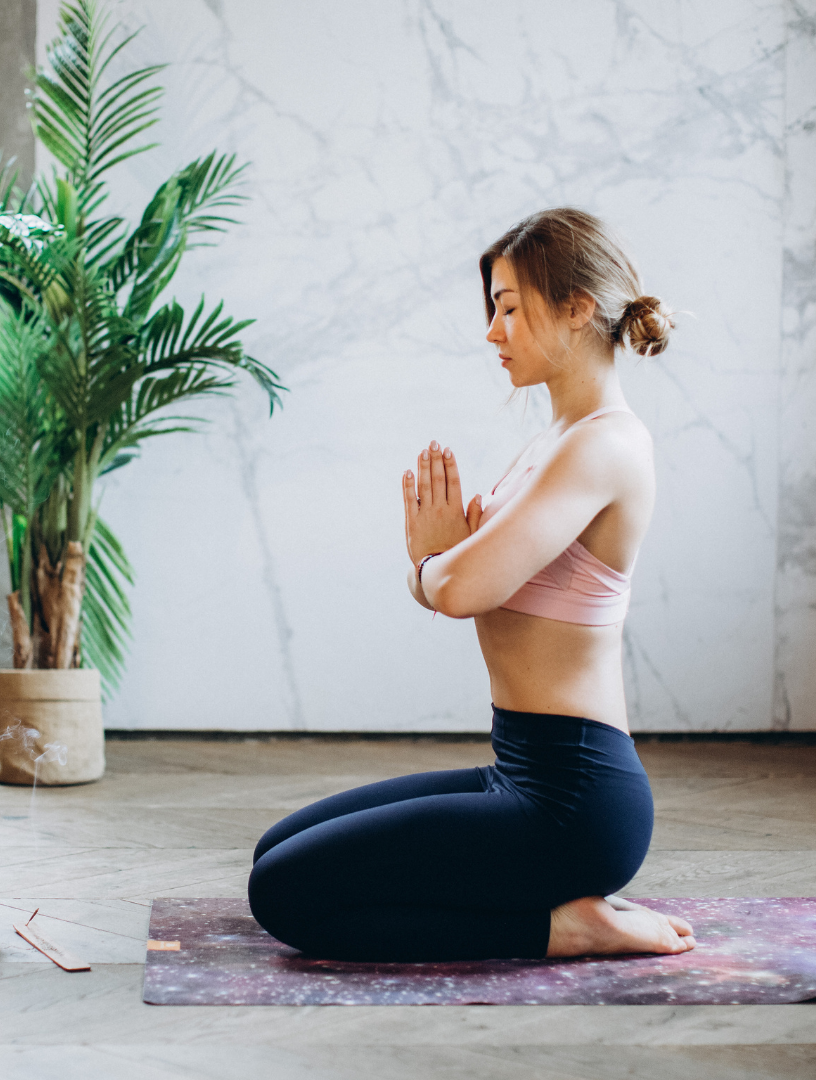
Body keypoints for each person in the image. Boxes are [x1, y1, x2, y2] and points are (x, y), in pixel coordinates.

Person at [248, 207, 697, 963]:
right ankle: (543, 901)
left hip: (573, 801)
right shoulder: (555, 442)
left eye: (510, 308)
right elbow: (465, 577)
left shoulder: (606, 445)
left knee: (284, 895)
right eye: (494, 309)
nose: (493, 331)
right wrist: (445, 567)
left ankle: (562, 928)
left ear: (578, 307)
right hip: (517, 768)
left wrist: (430, 566)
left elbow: (459, 588)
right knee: (276, 850)